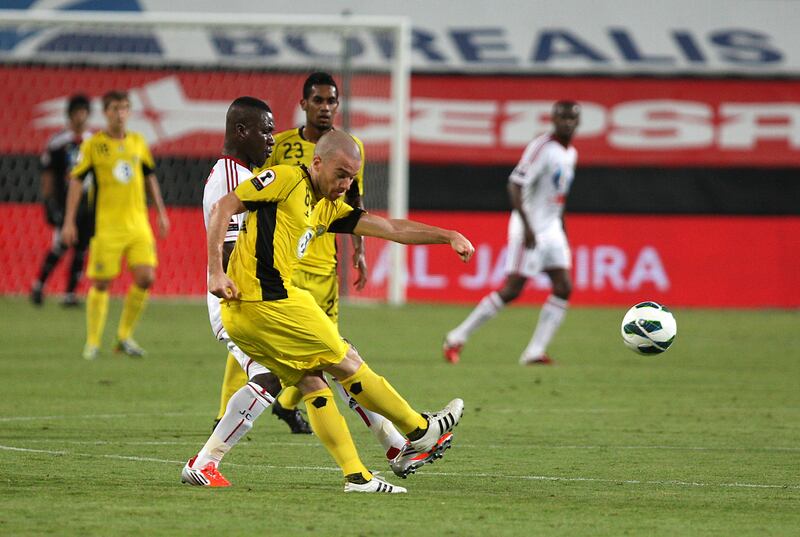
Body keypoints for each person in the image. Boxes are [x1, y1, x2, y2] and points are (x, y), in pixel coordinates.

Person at [182, 127, 473, 493]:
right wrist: (215, 271)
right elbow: (225, 205)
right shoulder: (286, 178)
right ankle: (420, 431)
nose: (345, 184)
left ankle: (356, 476)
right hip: (266, 302)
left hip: (251, 312)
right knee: (347, 360)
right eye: (340, 174)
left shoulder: (329, 208)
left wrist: (446, 235)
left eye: (352, 177)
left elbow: (391, 228)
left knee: (311, 381)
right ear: (316, 162)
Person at [214, 73, 408, 468]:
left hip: (320, 267)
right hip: (270, 272)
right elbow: (252, 199)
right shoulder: (280, 151)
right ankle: (404, 439)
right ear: (304, 104)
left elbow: (356, 205)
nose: (325, 106)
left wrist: (359, 250)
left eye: (331, 101)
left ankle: (386, 450)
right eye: (318, 100)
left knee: (324, 362)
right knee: (330, 360)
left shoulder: (349, 150)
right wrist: (223, 265)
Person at [443, 101, 581, 366]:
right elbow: (515, 184)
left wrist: (561, 227)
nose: (567, 122)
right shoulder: (542, 147)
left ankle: (534, 352)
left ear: (578, 122)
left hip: (552, 229)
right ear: (553, 118)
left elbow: (558, 196)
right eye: (562, 117)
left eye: (572, 118)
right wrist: (527, 225)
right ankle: (456, 337)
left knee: (564, 286)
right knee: (512, 289)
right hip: (528, 226)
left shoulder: (570, 153)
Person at [203, 96, 311, 435]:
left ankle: (396, 442)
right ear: (241, 130)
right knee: (277, 373)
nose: (272, 139)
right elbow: (228, 250)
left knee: (310, 366)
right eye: (265, 131)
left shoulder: (244, 174)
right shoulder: (233, 179)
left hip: (248, 295)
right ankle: (206, 460)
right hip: (240, 298)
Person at [61, 90, 170, 361]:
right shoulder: (93, 145)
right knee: (100, 283)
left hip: (137, 224)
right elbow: (76, 181)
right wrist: (69, 221)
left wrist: (161, 212)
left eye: (124, 108)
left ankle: (123, 336)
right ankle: (93, 342)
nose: (120, 114)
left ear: (129, 112)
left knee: (146, 277)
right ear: (105, 112)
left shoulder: (138, 142)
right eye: (114, 109)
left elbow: (149, 177)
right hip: (106, 227)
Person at [30, 94, 93, 307]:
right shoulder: (58, 142)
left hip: (87, 203)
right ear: (69, 115)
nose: (81, 117)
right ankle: (39, 285)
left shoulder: (93, 142)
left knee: (82, 247)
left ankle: (70, 294)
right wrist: (49, 202)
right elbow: (48, 174)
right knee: (61, 243)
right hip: (65, 201)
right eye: (77, 112)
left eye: (84, 112)